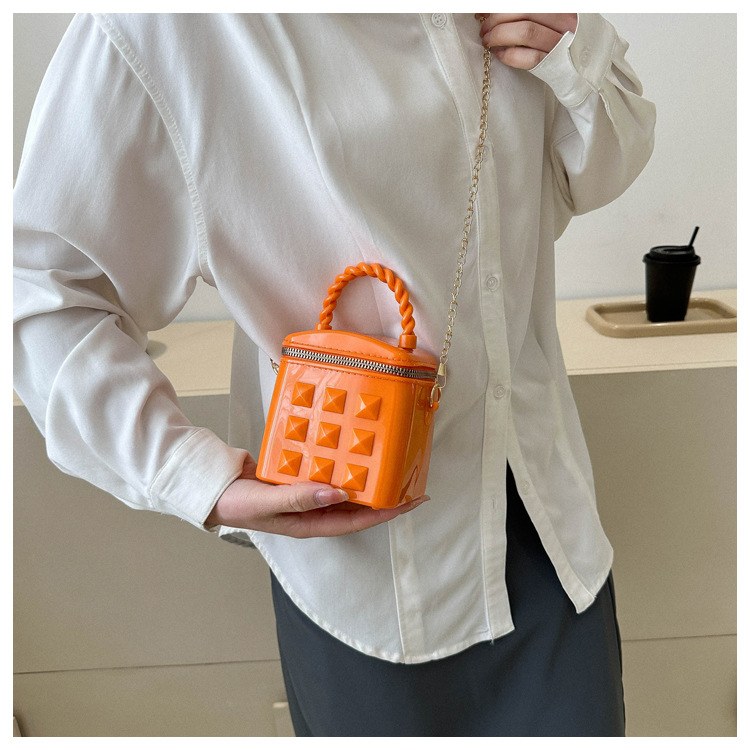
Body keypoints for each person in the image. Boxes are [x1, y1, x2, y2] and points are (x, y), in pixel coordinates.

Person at [13, 13, 655, 736]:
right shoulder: (168, 26)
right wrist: (190, 474)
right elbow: (42, 290)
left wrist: (574, 49)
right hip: (362, 571)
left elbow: (586, 175)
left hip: (552, 532)